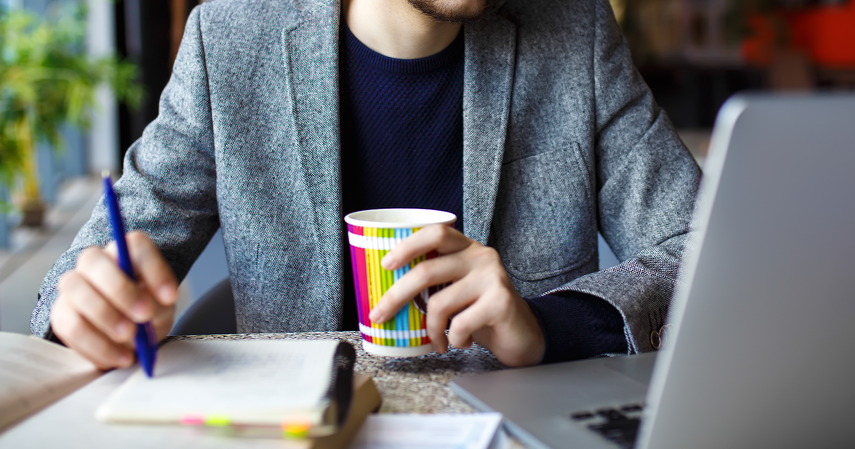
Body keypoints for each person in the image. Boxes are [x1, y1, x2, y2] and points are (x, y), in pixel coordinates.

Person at [31, 0, 700, 370]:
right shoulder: (230, 41)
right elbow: (82, 270)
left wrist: (548, 326)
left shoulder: (573, 30)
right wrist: (88, 305)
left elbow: (709, 252)